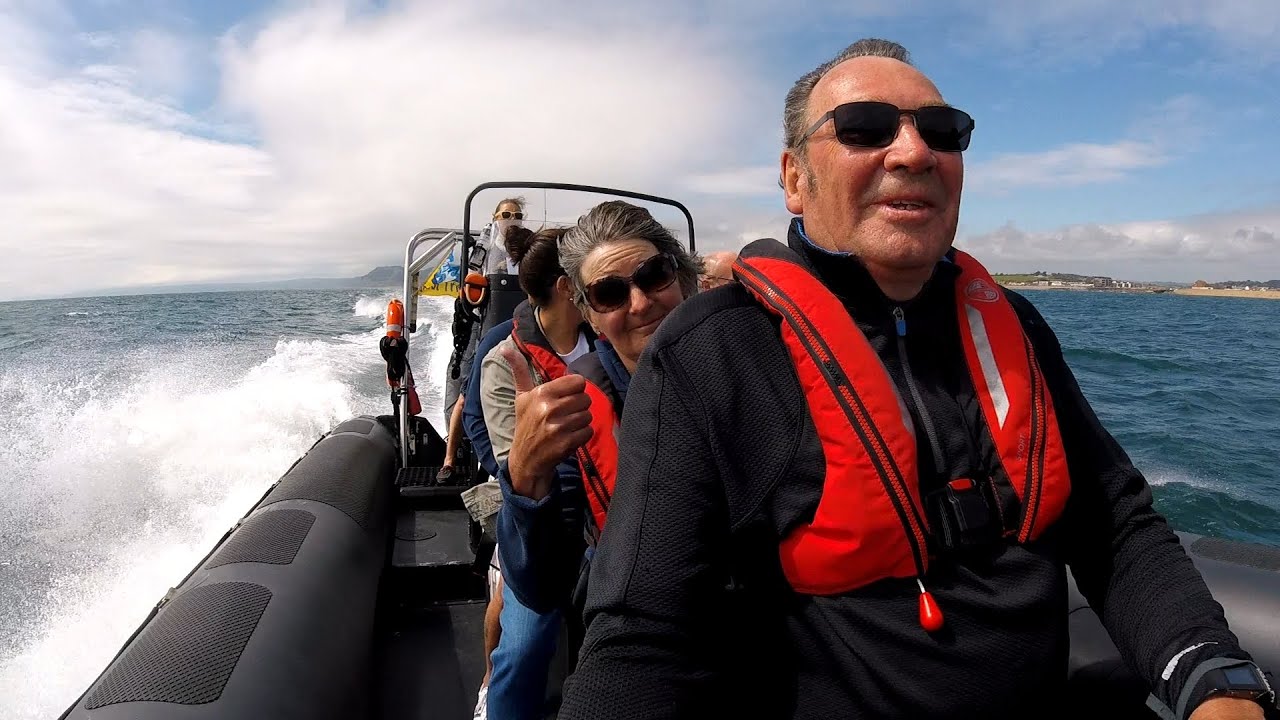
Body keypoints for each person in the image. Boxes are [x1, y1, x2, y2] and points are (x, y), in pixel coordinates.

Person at [559, 39, 1276, 720]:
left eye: (941, 131)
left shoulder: (1016, 328)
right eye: (864, 128)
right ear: (794, 179)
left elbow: (1113, 524)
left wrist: (1215, 677)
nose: (913, 151)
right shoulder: (713, 352)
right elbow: (639, 635)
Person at [496, 200, 702, 615]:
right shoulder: (579, 410)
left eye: (654, 276)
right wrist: (525, 473)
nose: (640, 303)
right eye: (609, 293)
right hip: (643, 619)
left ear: (680, 277)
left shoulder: (743, 363)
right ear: (589, 314)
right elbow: (542, 588)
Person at [476, 224, 597, 720]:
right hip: (538, 517)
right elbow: (513, 463)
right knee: (525, 644)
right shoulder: (503, 360)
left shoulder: (608, 340)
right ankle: (493, 693)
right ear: (569, 284)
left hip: (607, 512)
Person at [439, 197, 527, 484]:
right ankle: (450, 459)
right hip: (488, 330)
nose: (511, 219)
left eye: (516, 215)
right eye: (506, 214)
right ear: (495, 216)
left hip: (522, 331)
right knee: (466, 398)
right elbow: (469, 291)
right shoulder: (482, 250)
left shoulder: (528, 250)